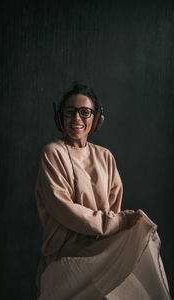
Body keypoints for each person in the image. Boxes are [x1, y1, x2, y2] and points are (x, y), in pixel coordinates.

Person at [35, 84, 171, 300]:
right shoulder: (53, 153)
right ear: (60, 117)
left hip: (101, 252)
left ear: (96, 119)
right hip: (65, 258)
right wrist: (119, 221)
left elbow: (114, 209)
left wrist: (128, 223)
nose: (77, 118)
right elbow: (64, 209)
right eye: (70, 111)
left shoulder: (105, 157)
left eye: (85, 112)